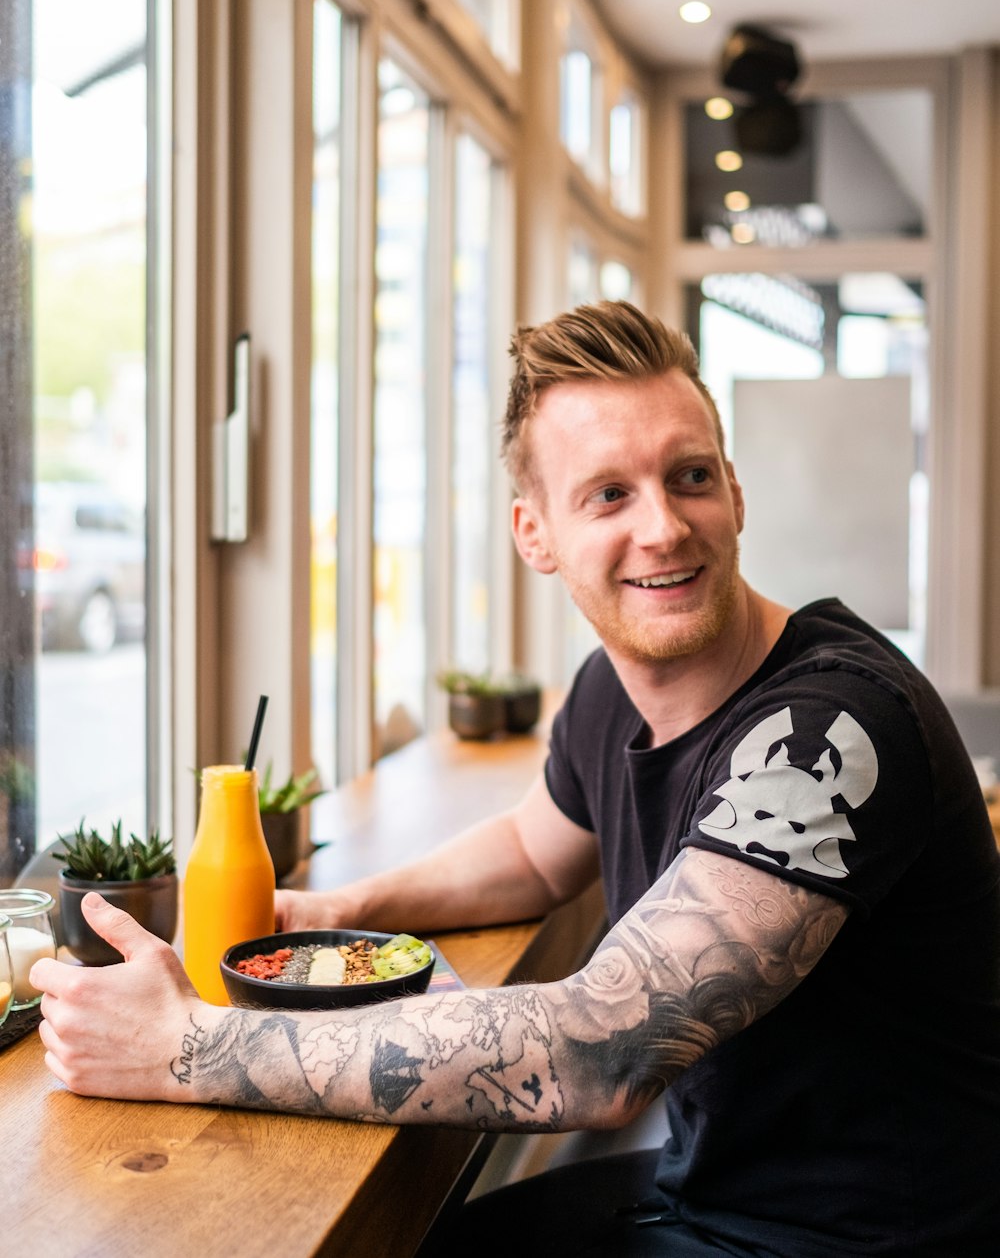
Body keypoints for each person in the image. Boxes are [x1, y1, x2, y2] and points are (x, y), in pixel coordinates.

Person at [32, 302, 1000, 1257]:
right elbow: (532, 853)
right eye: (608, 495)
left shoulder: (829, 732)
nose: (663, 527)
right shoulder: (615, 684)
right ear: (534, 534)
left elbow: (599, 1054)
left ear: (735, 494)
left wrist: (184, 1049)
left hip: (858, 1238)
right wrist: (345, 902)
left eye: (689, 477)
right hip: (714, 1192)